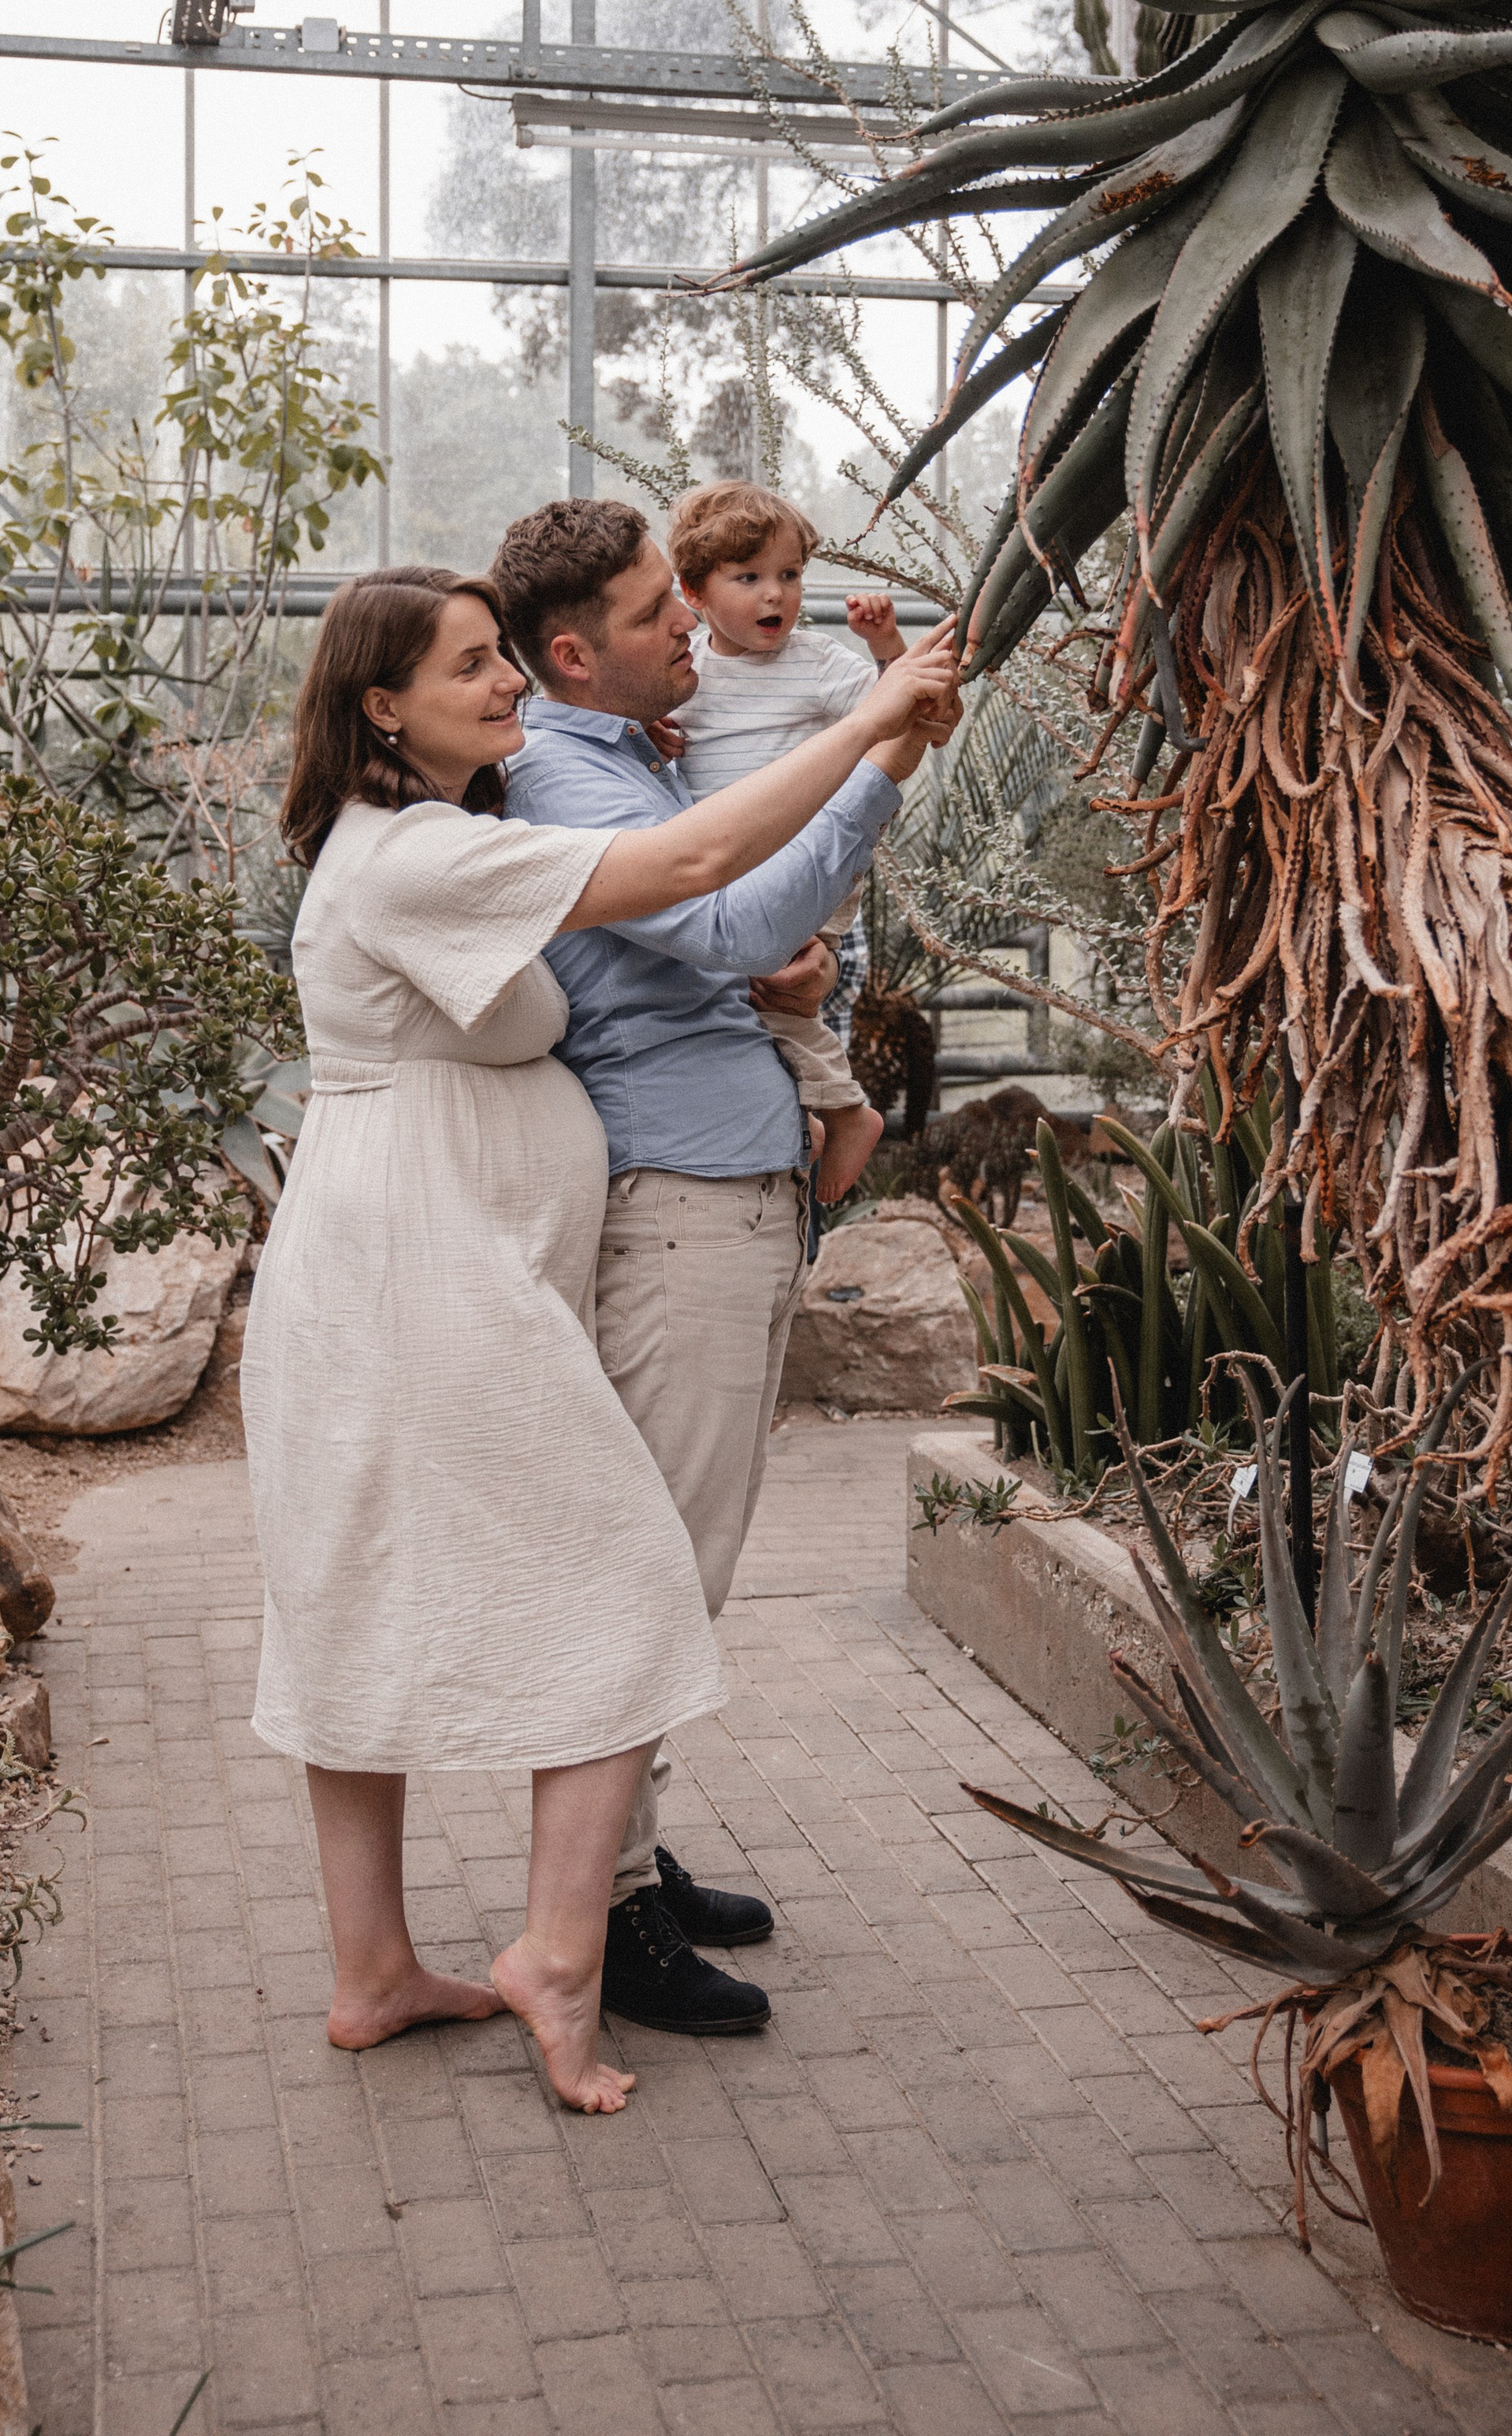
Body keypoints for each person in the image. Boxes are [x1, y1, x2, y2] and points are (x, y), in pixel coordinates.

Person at [242, 563, 954, 2114]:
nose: (509, 684)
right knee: (630, 1581)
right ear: (380, 706)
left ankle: (373, 1974)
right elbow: (697, 855)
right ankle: (559, 1958)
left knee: (353, 1594)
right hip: (422, 1273)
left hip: (402, 1254)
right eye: (470, 668)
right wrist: (878, 721)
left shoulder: (426, 841)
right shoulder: (418, 852)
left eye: (505, 657)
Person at [492, 500, 957, 2036]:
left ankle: (623, 1856)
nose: (690, 623)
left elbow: (755, 934)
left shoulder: (637, 752)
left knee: (668, 1567)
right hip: (678, 1211)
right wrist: (884, 747)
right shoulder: (566, 765)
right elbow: (739, 916)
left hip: (721, 1193)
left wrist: (803, 958)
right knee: (654, 1574)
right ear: (571, 653)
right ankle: (603, 1914)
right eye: (653, 611)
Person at [667, 478, 903, 1207]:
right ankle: (815, 1118)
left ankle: (843, 1110)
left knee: (773, 991)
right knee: (743, 1006)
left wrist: (886, 644)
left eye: (791, 576)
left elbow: (901, 708)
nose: (776, 596)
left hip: (805, 870)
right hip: (728, 876)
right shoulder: (687, 673)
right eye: (749, 578)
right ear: (694, 594)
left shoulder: (820, 665)